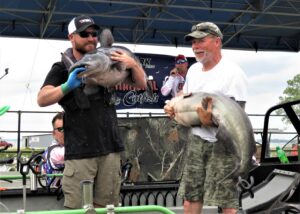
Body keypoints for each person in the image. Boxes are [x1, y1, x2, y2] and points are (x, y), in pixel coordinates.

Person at [37, 15, 147, 209]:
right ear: (71, 37)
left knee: (108, 209)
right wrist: (66, 86)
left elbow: (141, 84)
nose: (90, 38)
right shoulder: (62, 67)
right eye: (84, 34)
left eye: (93, 34)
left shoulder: (110, 58)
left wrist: (133, 64)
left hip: (111, 149)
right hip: (80, 152)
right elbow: (42, 98)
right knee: (79, 210)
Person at [164, 22, 248, 214]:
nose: (195, 46)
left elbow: (237, 118)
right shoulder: (193, 70)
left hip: (223, 144)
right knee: (190, 199)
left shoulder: (233, 73)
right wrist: (173, 106)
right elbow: (184, 96)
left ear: (217, 41)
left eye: (201, 40)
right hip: (196, 140)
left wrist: (210, 122)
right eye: (193, 42)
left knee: (226, 203)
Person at [42, 112, 65, 187]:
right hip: (57, 195)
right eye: (61, 129)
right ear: (53, 133)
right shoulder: (55, 152)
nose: (65, 132)